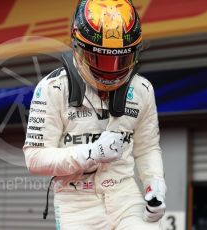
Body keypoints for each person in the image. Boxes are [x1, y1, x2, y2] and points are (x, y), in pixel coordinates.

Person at [23, 0, 167, 229]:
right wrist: (91, 152)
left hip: (125, 194)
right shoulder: (52, 88)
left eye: (120, 58)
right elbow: (34, 159)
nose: (111, 70)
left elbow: (147, 147)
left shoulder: (142, 89)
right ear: (77, 48)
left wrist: (155, 184)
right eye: (100, 58)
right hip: (76, 201)